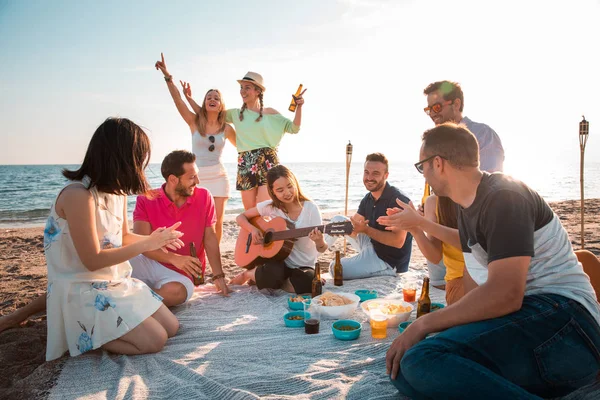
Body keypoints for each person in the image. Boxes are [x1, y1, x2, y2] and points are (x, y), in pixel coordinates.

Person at [379, 123, 600, 399]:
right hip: (536, 327)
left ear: (438, 164)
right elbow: (476, 294)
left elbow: (507, 295)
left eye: (421, 166)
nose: (422, 174)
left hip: (568, 323)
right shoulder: (467, 209)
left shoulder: (504, 197)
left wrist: (423, 324)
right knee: (405, 370)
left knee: (421, 359)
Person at [44, 117, 183, 360]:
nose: (141, 164)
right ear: (120, 157)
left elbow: (124, 236)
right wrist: (147, 244)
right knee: (155, 340)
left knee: (171, 328)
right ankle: (79, 336)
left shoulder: (115, 193)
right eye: (138, 157)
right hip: (81, 287)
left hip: (114, 281)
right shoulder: (79, 195)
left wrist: (155, 239)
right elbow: (92, 260)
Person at [422, 80, 505, 291]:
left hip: (474, 234)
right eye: (428, 109)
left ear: (456, 104)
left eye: (437, 107)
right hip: (445, 228)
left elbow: (487, 184)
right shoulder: (434, 141)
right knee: (440, 282)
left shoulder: (482, 135)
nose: (432, 114)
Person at [186, 72, 306, 210]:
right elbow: (208, 113)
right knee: (249, 210)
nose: (243, 91)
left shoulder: (271, 113)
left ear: (258, 91)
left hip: (268, 161)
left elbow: (294, 128)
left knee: (262, 209)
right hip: (246, 161)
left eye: (247, 87)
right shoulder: (236, 114)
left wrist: (299, 107)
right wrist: (189, 99)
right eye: (241, 88)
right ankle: (251, 231)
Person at [130, 150, 230, 306]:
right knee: (113, 262)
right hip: (148, 262)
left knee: (177, 293)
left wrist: (218, 276)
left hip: (181, 273)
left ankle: (131, 301)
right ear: (173, 179)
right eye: (191, 177)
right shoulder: (145, 199)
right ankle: (134, 293)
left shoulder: (204, 197)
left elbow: (210, 237)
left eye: (196, 175)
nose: (197, 181)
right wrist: (173, 258)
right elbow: (140, 244)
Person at [155, 53, 235, 243]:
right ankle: (195, 254)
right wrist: (168, 77)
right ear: (204, 102)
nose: (212, 99)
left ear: (221, 104)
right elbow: (178, 101)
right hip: (195, 177)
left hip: (219, 176)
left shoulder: (228, 128)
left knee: (217, 222)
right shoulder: (194, 122)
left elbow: (244, 147)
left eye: (216, 97)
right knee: (195, 219)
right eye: (209, 97)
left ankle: (215, 265)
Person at [230, 165, 326, 294]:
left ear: (295, 183)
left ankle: (267, 280)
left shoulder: (311, 209)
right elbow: (241, 217)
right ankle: (249, 274)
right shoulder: (270, 207)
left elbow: (322, 248)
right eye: (280, 190)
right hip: (279, 263)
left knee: (310, 282)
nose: (287, 192)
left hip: (303, 266)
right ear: (272, 191)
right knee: (274, 272)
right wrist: (253, 229)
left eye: (290, 186)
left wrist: (319, 241)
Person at [325, 153, 413, 279]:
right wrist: (338, 231)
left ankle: (387, 271)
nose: (369, 177)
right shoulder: (368, 198)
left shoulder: (397, 200)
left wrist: (365, 230)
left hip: (387, 259)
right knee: (337, 221)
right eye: (366, 172)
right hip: (371, 244)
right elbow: (355, 227)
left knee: (335, 268)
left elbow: (397, 242)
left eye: (375, 173)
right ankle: (314, 255)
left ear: (386, 176)